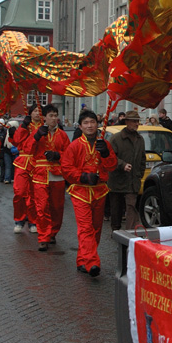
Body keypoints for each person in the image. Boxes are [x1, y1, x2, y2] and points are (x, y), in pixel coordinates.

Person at [61, 109, 117, 276]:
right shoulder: (75, 145)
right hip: (80, 192)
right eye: (86, 123)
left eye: (92, 122)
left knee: (96, 228)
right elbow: (66, 168)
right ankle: (92, 262)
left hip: (100, 191)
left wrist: (106, 154)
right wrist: (83, 177)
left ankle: (82, 260)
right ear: (80, 126)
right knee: (85, 228)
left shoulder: (104, 144)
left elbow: (112, 166)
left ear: (97, 124)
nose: (90, 125)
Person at [30, 104, 70, 251]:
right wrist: (36, 137)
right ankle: (43, 236)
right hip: (40, 174)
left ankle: (53, 232)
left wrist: (58, 155)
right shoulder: (38, 132)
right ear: (44, 117)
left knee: (57, 207)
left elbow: (69, 154)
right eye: (51, 116)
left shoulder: (63, 135)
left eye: (55, 115)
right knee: (41, 207)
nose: (54, 118)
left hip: (57, 174)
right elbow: (28, 149)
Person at [107, 110, 146, 231]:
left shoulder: (140, 139)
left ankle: (130, 234)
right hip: (117, 180)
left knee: (131, 207)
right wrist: (122, 165)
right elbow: (109, 157)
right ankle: (116, 230)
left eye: (137, 121)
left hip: (133, 181)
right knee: (116, 209)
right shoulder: (116, 138)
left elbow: (142, 159)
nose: (136, 124)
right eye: (134, 121)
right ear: (127, 122)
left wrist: (139, 174)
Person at [10, 104, 43, 234]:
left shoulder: (44, 127)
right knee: (19, 192)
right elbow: (17, 140)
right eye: (34, 111)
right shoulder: (25, 125)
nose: (37, 113)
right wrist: (23, 126)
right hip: (23, 161)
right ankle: (19, 219)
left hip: (37, 162)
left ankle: (33, 221)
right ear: (30, 113)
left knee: (34, 195)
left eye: (39, 111)